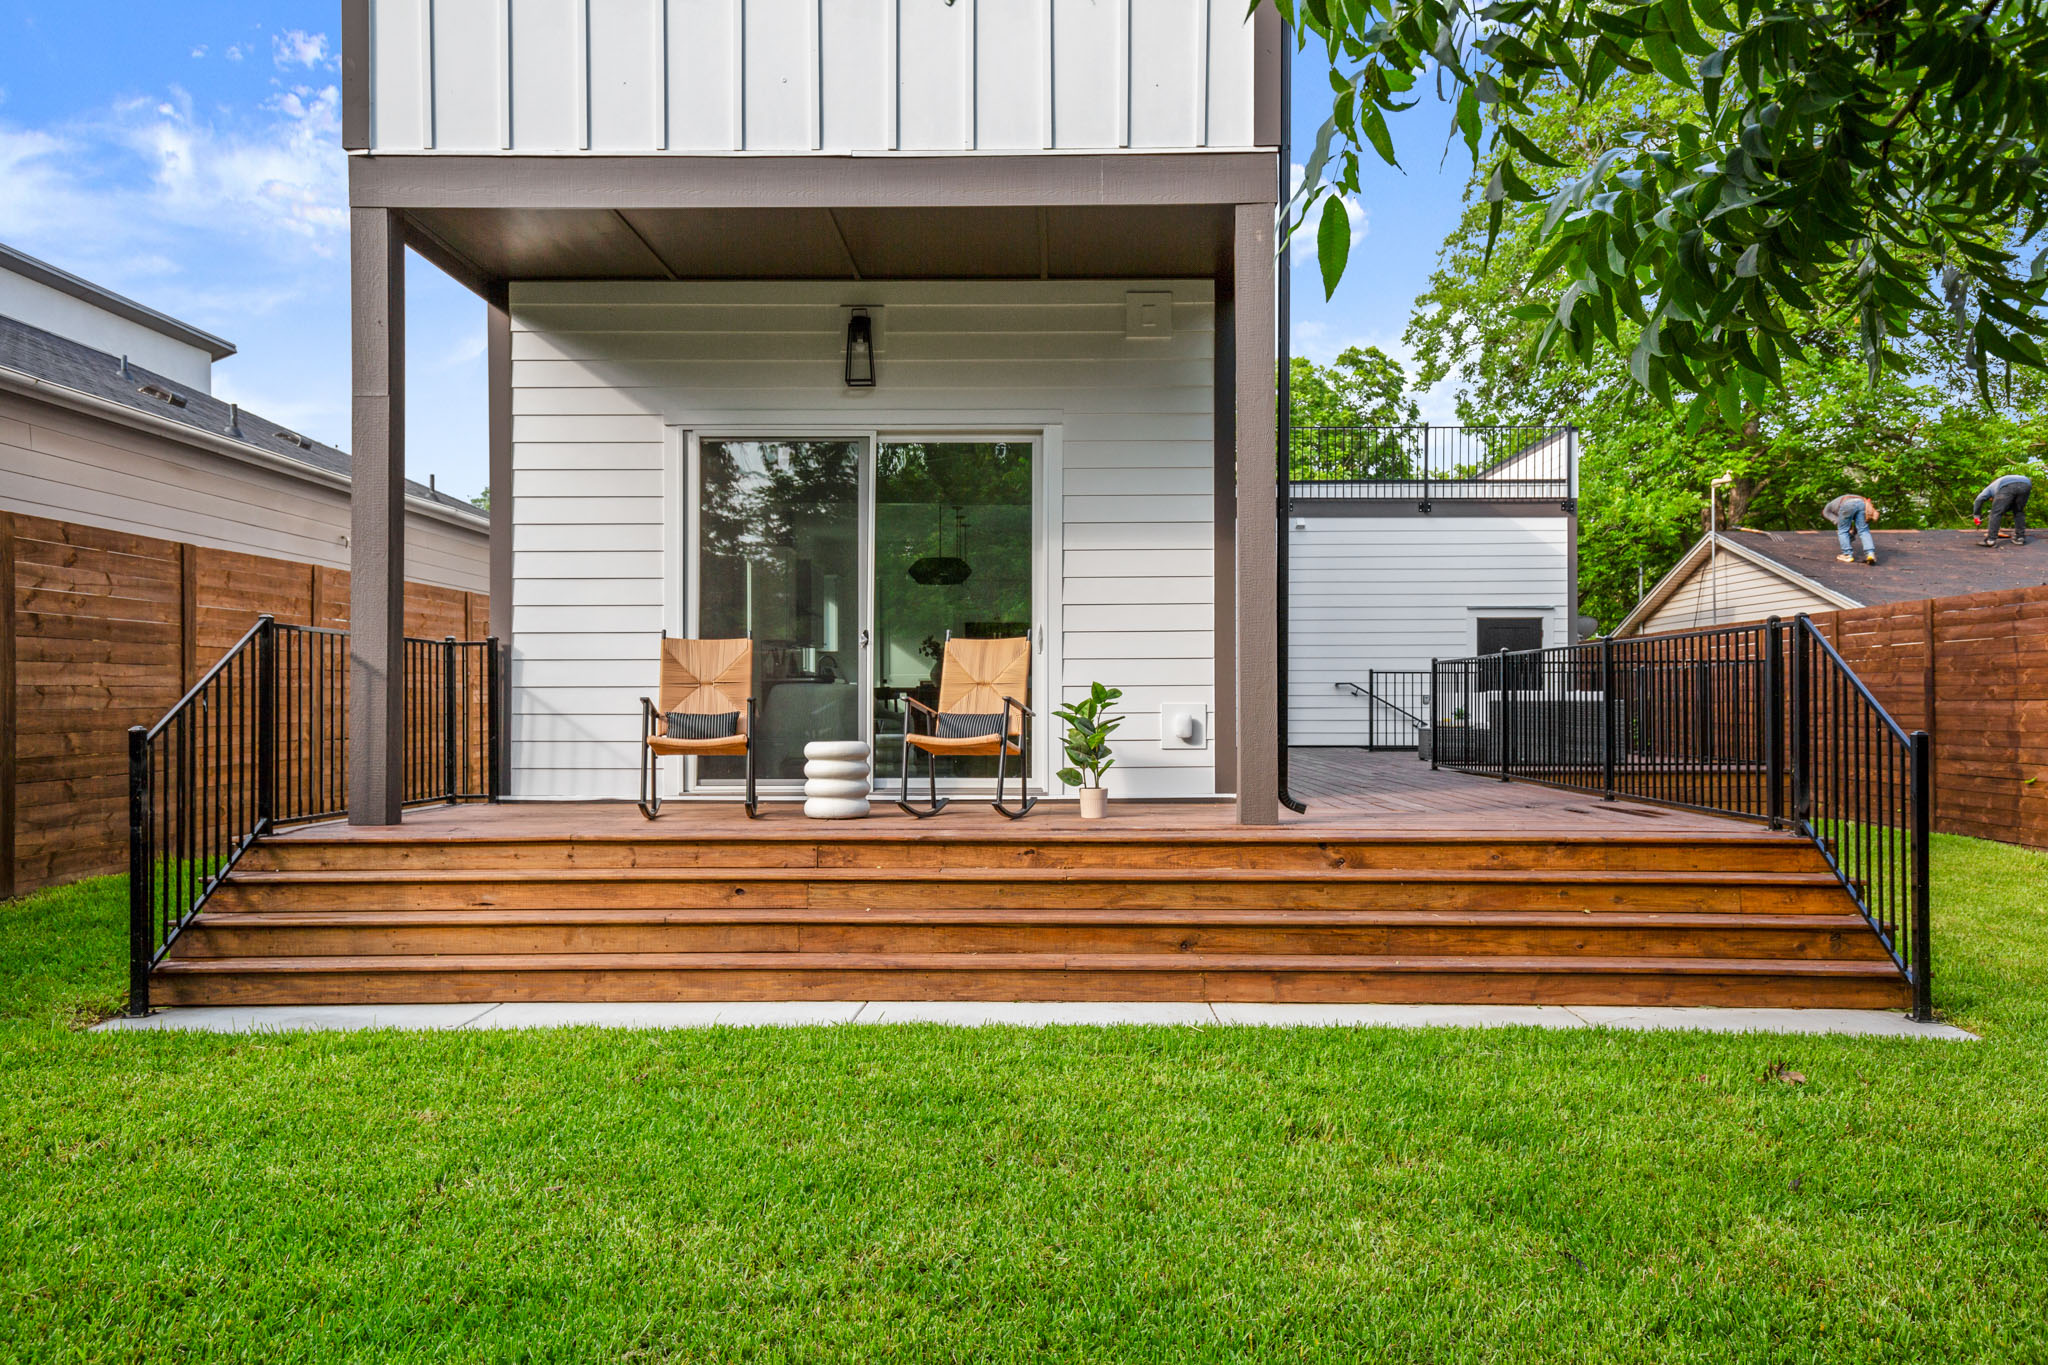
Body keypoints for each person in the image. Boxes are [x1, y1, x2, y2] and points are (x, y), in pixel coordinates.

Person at [1972, 473, 2032, 547]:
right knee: (2018, 511)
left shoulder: (1990, 488)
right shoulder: (1999, 485)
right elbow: (2009, 505)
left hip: (2008, 485)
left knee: (1995, 513)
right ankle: (2020, 538)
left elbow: (1978, 499)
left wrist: (1976, 515)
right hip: (2026, 483)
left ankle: (1991, 540)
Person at [1822, 493, 1880, 565]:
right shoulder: (1837, 502)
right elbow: (1858, 527)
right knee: (1864, 530)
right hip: (1862, 504)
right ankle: (1870, 554)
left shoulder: (1827, 508)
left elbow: (1832, 517)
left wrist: (1847, 530)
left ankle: (1847, 555)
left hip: (1847, 504)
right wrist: (1852, 534)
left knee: (1842, 530)